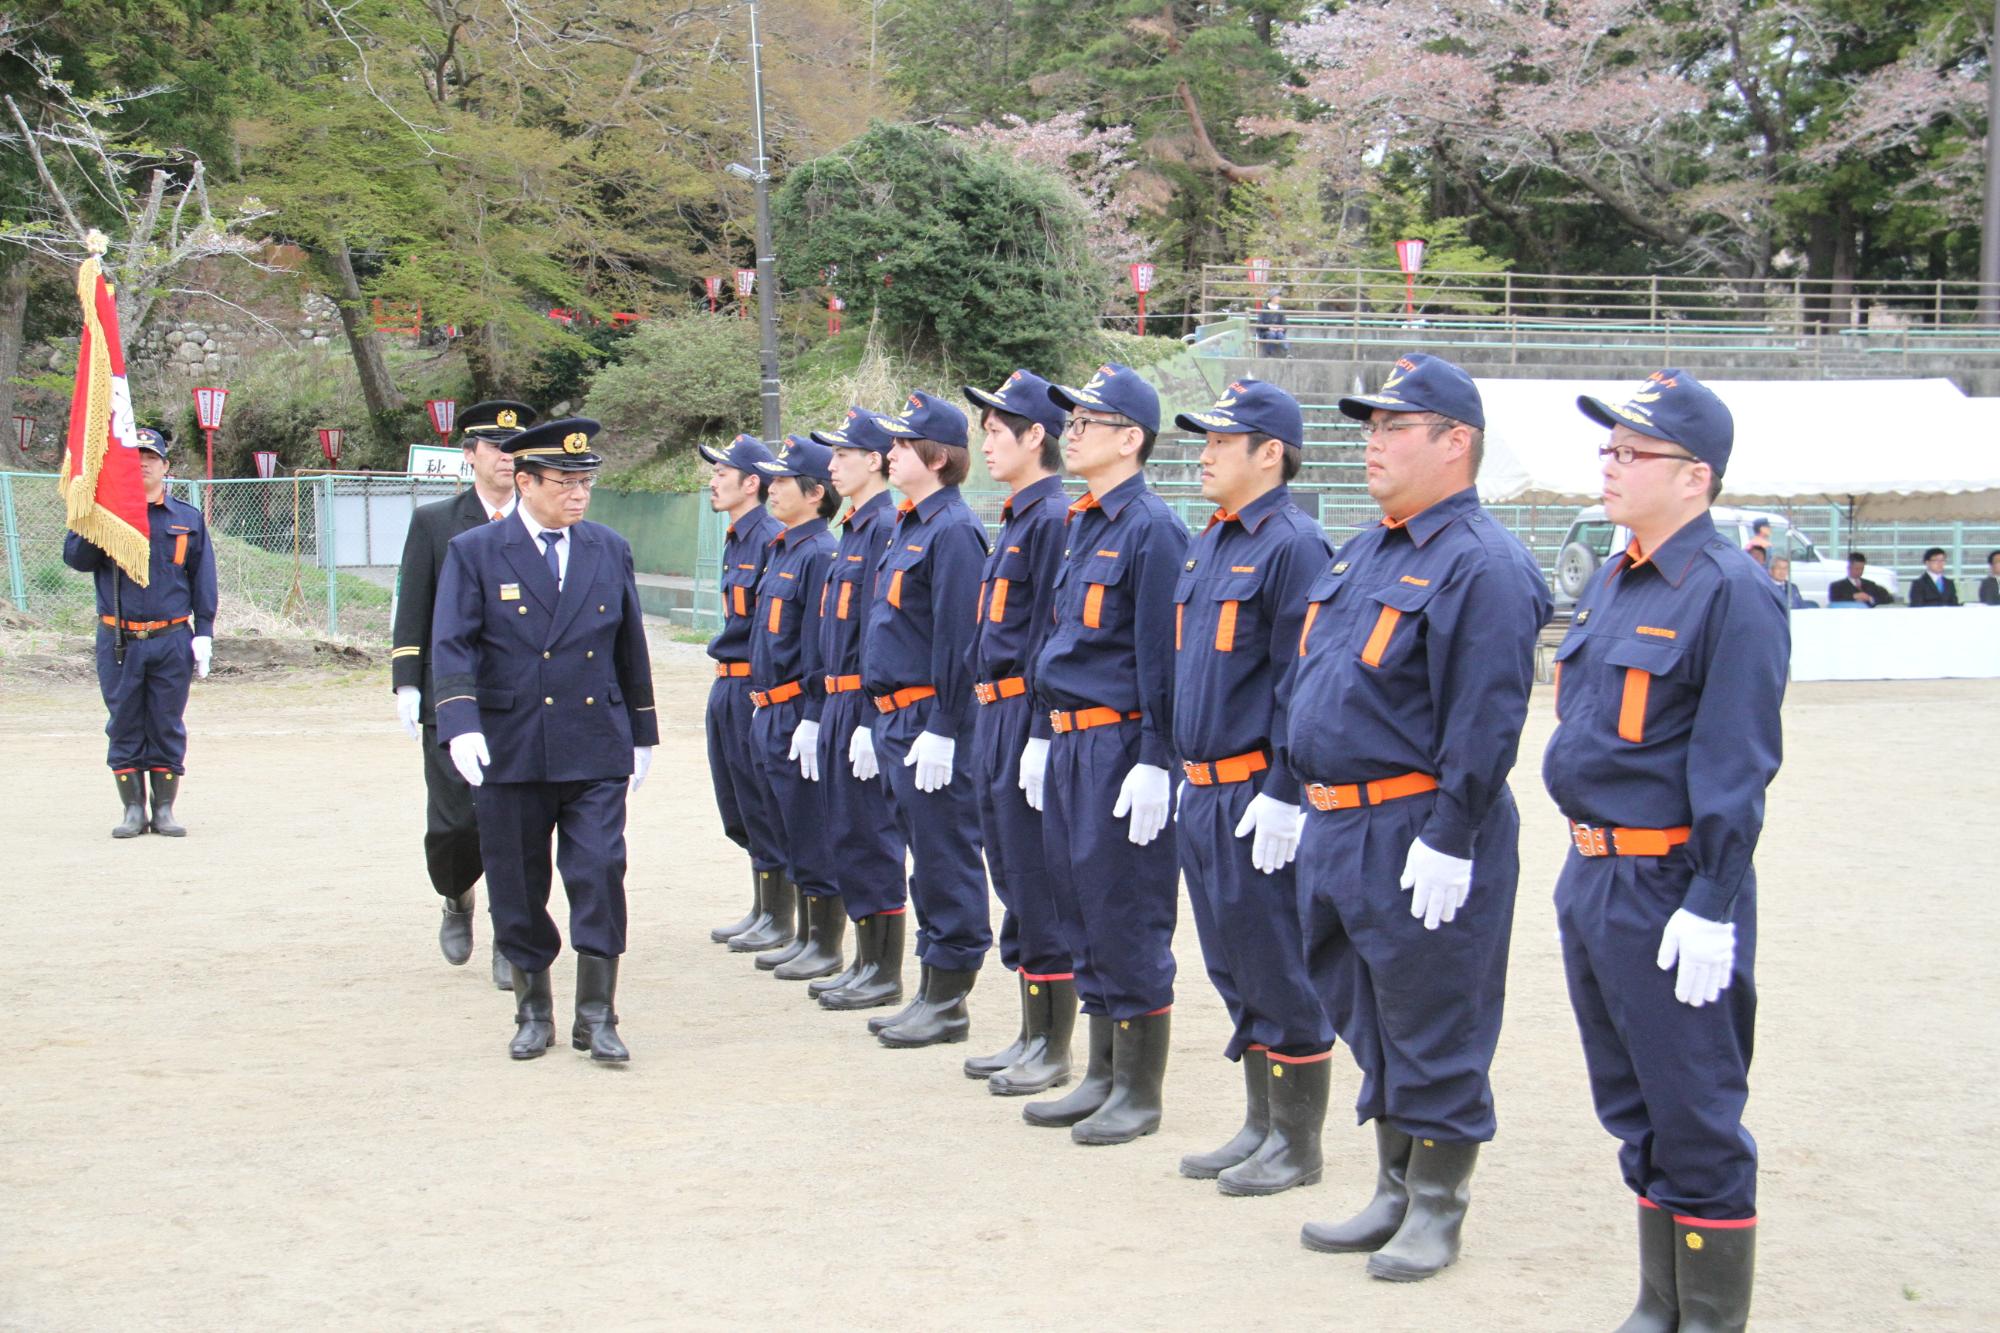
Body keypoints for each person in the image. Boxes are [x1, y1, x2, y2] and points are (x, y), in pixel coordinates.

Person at [1282, 352, 1550, 1281]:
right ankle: (1394, 1186)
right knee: (1369, 1009)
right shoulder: (1368, 548)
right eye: (1371, 427)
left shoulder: (1484, 563)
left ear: (1455, 442)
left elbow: (1485, 718)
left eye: (1395, 426)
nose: (1373, 443)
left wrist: (1453, 835)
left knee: (1436, 1015)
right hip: (1339, 825)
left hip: (1415, 828)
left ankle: (1438, 1203)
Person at [1544, 370, 1786, 1331]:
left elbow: (1738, 761)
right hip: (1595, 874)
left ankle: (1709, 1318)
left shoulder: (1730, 591)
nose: (1610, 465)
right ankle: (1661, 1301)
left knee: (1695, 1111)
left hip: (1671, 883)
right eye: (1608, 449)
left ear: (1696, 476)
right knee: (1632, 1101)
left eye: (1631, 452)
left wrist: (1713, 899)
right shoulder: (1618, 575)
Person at [430, 418, 658, 1062]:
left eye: (586, 481)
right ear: (525, 481)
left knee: (599, 872)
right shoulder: (477, 550)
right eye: (563, 482)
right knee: (517, 881)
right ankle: (533, 1009)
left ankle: (598, 1013)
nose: (578, 494)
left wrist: (642, 731)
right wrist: (459, 722)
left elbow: (629, 645)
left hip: (593, 740)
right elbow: (452, 643)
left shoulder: (607, 548)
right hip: (512, 741)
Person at [1169, 379, 1335, 1196]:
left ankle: (1297, 1142)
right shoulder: (1211, 544)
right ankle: (1261, 1122)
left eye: (1222, 440)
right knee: (1232, 964)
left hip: (1252, 792)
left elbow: (1297, 682)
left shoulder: (1293, 545)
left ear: (1270, 453)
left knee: (1277, 964)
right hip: (1201, 789)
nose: (1202, 452)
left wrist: (1282, 788)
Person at [1021, 363, 1189, 1145]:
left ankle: (1139, 1088)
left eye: (1089, 421)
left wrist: (1159, 757)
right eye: (1072, 419)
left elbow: (1161, 655)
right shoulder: (1085, 521)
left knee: (1126, 911)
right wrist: (1042, 733)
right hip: (1071, 739)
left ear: (1132, 438)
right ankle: (1101, 1070)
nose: (1072, 432)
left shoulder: (1152, 528)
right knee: (1079, 904)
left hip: (1122, 743)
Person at [860, 390, 993, 1049]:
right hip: (895, 720)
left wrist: (945, 726)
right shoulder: (911, 524)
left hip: (926, 721)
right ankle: (931, 989)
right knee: (922, 858)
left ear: (937, 457)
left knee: (945, 856)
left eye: (903, 444)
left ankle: (949, 995)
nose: (891, 452)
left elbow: (959, 640)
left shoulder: (953, 531)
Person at [390, 400, 537, 983]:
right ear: (470, 455)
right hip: (453, 693)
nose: (506, 458)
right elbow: (415, 605)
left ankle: (511, 929)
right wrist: (407, 680)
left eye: (515, 449)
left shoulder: (540, 518)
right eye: (495, 448)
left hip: (523, 696)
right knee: (453, 821)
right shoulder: (436, 521)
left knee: (514, 821)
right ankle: (456, 895)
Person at [959, 370, 1076, 1093]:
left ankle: (1054, 1042)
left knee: (1037, 878)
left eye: (1000, 430)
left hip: (1023, 715)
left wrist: (1036, 729)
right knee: (1010, 872)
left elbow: (1044, 638)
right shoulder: (1020, 517)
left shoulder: (1055, 519)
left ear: (1039, 435)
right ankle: (1032, 1028)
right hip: (992, 711)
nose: (988, 442)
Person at [63, 424, 216, 838]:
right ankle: (133, 809)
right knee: (125, 721)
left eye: (151, 459)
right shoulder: (107, 516)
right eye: (134, 460)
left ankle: (164, 809)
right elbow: (75, 560)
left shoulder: (187, 518)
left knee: (167, 721)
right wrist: (95, 514)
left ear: (166, 466)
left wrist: (204, 631)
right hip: (119, 640)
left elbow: (202, 578)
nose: (143, 465)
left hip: (171, 638)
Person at [808, 407, 912, 1012]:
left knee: (870, 834)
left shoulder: (883, 526)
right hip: (839, 695)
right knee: (846, 830)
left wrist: (872, 716)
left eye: (843, 454)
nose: (832, 464)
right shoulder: (855, 526)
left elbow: (880, 629)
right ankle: (867, 957)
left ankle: (883, 965)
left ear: (874, 460)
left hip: (862, 696)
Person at [742, 436, 845, 980]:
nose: (771, 488)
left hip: (794, 708)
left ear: (814, 493)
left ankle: (824, 941)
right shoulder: (784, 547)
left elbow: (814, 645)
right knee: (781, 825)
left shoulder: (819, 554)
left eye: (782, 481)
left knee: (809, 828)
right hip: (767, 708)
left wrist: (811, 714)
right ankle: (805, 932)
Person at [696, 434, 787, 951]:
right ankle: (764, 904)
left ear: (752, 482)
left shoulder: (770, 537)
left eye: (722, 473)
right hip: (726, 682)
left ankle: (780, 912)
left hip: (753, 684)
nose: (713, 481)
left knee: (763, 800)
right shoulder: (737, 535)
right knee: (739, 804)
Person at [1827, 553, 1894, 606]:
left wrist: (1870, 599)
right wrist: (1854, 597)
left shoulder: (1870, 584)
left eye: (1861, 569)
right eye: (1856, 569)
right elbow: (1834, 600)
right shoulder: (1836, 586)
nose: (1859, 571)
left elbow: (1888, 599)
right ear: (1849, 568)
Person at [1254, 295, 1290, 359]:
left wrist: (1281, 328)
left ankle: (1287, 352)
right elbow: (1260, 323)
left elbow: (1285, 323)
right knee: (1271, 334)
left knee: (1280, 334)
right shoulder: (1264, 308)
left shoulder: (1280, 308)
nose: (1279, 298)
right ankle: (1269, 354)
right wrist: (1269, 328)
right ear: (1272, 298)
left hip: (1277, 330)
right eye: (1277, 297)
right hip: (1265, 331)